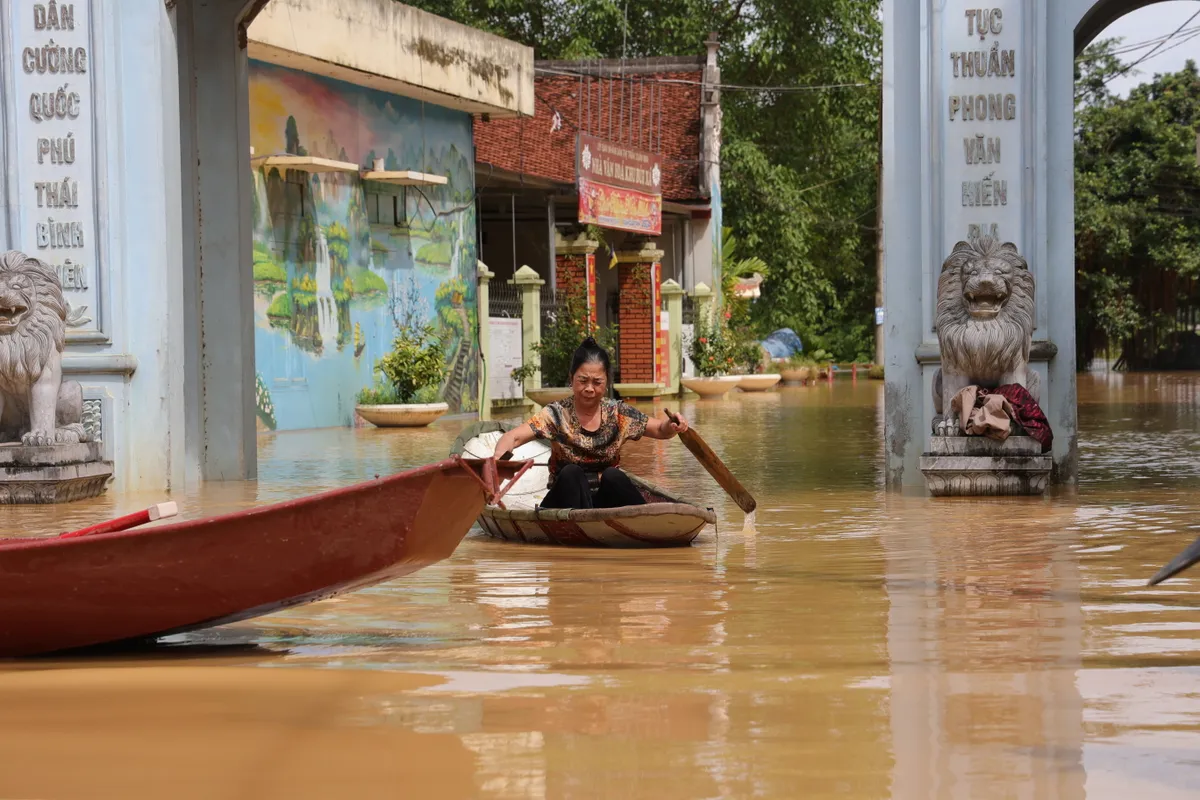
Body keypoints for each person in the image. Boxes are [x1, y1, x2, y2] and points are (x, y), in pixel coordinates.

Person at [493, 336, 689, 510]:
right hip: (565, 502)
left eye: (597, 382)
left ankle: (644, 523)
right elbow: (513, 437)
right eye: (582, 381)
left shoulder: (618, 413)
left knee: (614, 476)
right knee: (571, 473)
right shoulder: (556, 414)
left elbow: (660, 429)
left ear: (607, 383)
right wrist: (497, 463)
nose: (589, 388)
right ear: (571, 379)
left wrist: (672, 425)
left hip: (605, 501)